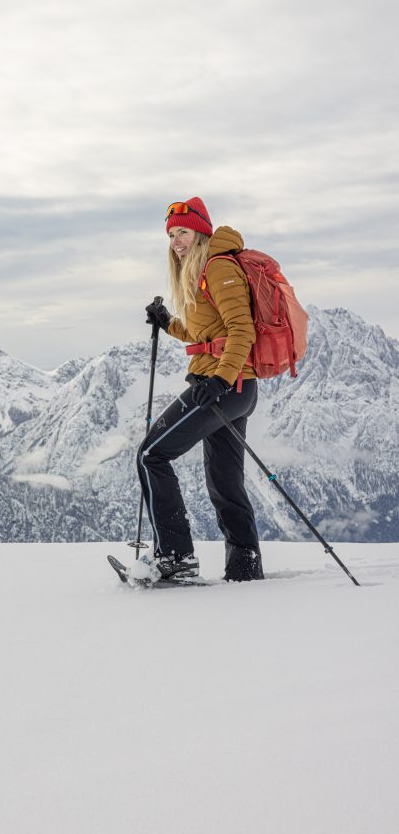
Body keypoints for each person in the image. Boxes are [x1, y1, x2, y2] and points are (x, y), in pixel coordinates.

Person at [139, 196, 264, 583]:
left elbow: (242, 330)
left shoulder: (219, 266)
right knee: (225, 483)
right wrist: (168, 323)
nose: (176, 241)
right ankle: (244, 569)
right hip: (234, 387)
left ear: (200, 232)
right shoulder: (202, 270)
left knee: (151, 455)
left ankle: (176, 559)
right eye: (171, 235)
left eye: (183, 232)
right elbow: (206, 333)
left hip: (224, 385)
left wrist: (220, 380)